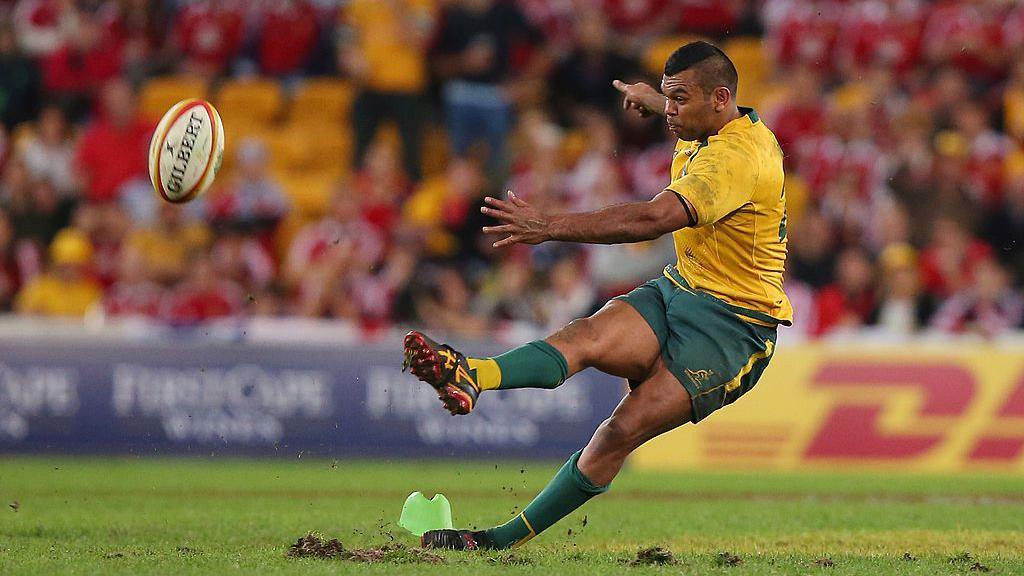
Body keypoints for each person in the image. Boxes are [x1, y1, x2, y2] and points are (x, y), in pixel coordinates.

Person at [403, 41, 791, 550]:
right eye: (668, 98)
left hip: (734, 324)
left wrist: (550, 226)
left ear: (720, 99)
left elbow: (652, 219)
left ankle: (499, 540)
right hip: (683, 287)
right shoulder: (708, 121)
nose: (670, 112)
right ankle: (472, 375)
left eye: (679, 100)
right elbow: (677, 108)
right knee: (585, 335)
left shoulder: (737, 159)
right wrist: (649, 98)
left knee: (619, 431)